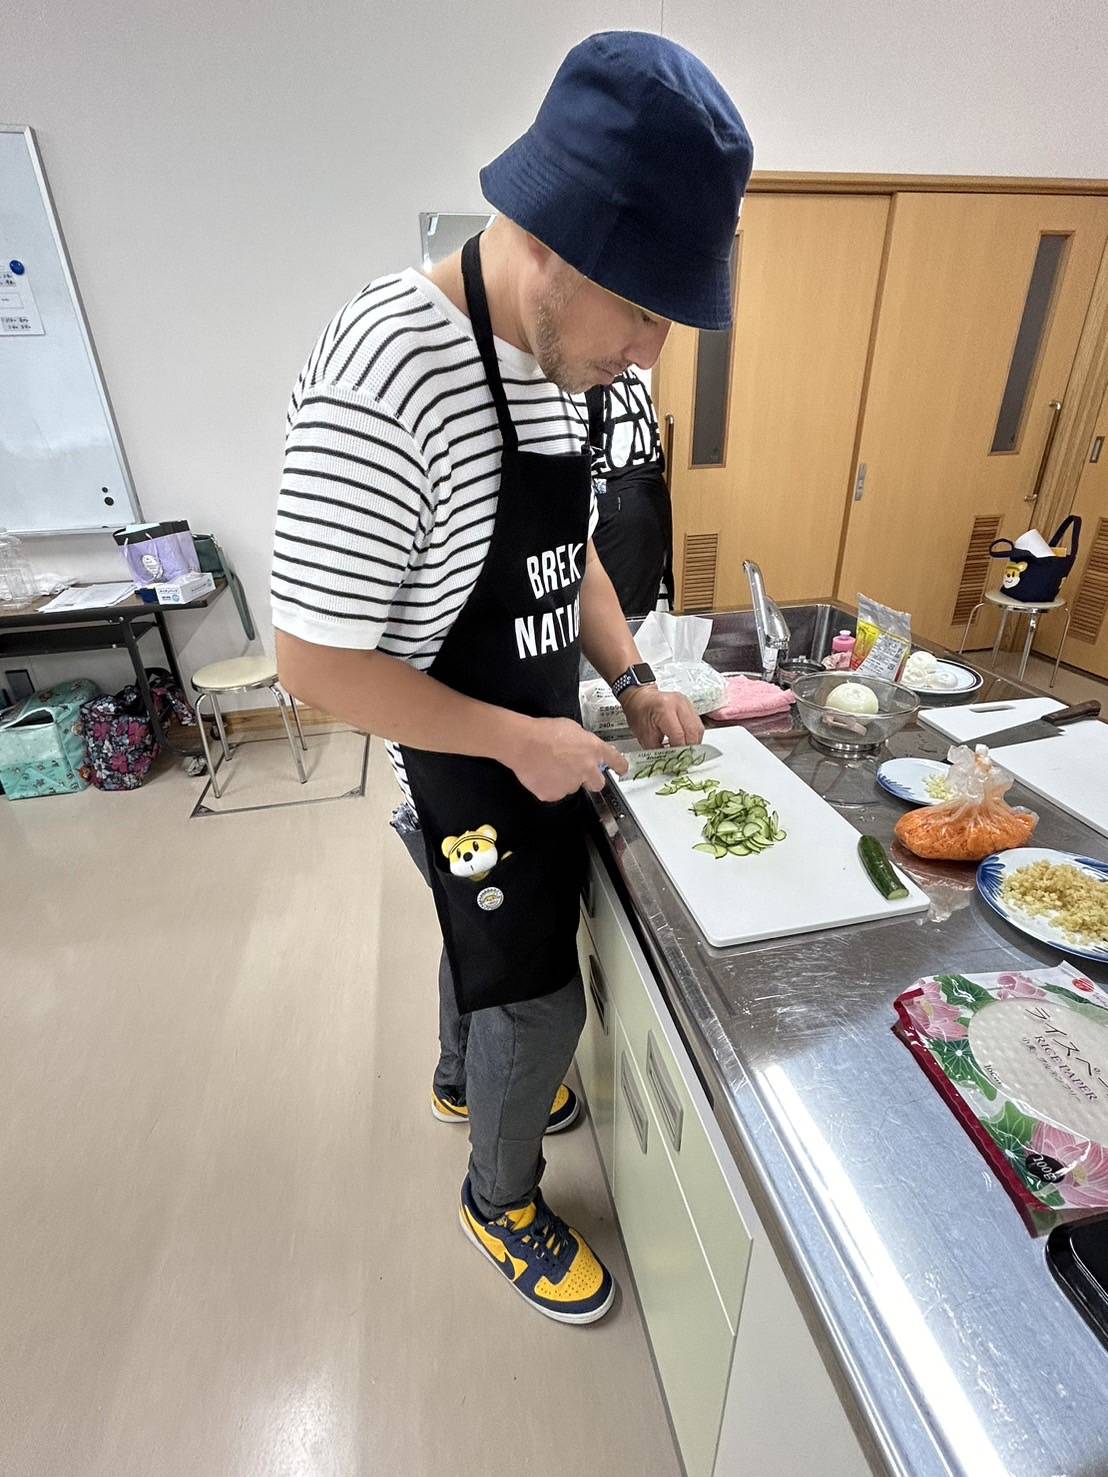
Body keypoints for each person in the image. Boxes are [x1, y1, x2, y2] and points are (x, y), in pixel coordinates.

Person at [272, 31, 752, 1325]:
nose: (649, 352)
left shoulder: (557, 364)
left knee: (480, 950)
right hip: (459, 761)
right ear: (553, 241)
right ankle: (500, 1197)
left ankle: (462, 1074)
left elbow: (567, 546)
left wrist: (632, 673)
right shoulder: (386, 370)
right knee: (537, 993)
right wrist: (511, 738)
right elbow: (311, 659)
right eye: (642, 311)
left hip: (534, 735)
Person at [587, 371, 674, 616]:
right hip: (644, 500)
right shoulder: (617, 372)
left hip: (621, 505)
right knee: (637, 616)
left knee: (618, 617)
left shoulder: (586, 374)